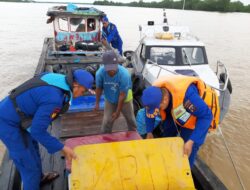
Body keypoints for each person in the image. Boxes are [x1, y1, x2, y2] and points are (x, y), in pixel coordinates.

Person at [0, 69, 94, 190]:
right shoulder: (54, 99)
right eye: (84, 90)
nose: (82, 94)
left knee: (33, 146)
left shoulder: (58, 79)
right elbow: (37, 131)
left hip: (20, 115)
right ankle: (33, 181)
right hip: (7, 122)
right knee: (29, 167)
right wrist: (62, 147)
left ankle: (40, 178)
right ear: (75, 84)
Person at [141, 75, 220, 167]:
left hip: (195, 114)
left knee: (188, 147)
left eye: (158, 108)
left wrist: (191, 141)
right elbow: (150, 113)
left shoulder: (188, 98)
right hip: (173, 107)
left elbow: (206, 116)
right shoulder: (154, 93)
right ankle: (168, 157)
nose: (157, 111)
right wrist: (149, 132)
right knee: (168, 131)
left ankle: (185, 169)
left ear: (165, 100)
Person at [95, 50, 136, 133]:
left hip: (125, 100)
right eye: (109, 68)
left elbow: (122, 94)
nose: (112, 71)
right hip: (110, 99)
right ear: (104, 65)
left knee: (131, 120)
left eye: (114, 67)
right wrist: (97, 103)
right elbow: (99, 88)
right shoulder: (100, 73)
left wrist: (117, 112)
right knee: (106, 122)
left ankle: (135, 136)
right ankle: (105, 139)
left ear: (117, 63)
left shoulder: (124, 74)